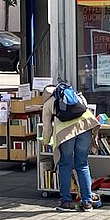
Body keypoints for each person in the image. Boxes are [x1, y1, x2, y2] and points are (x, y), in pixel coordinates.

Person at [41, 84, 101, 212]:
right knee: (83, 164)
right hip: (85, 127)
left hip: (65, 133)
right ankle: (87, 202)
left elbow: (47, 127)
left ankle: (66, 202)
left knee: (65, 165)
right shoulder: (76, 95)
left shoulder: (48, 103)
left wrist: (45, 141)